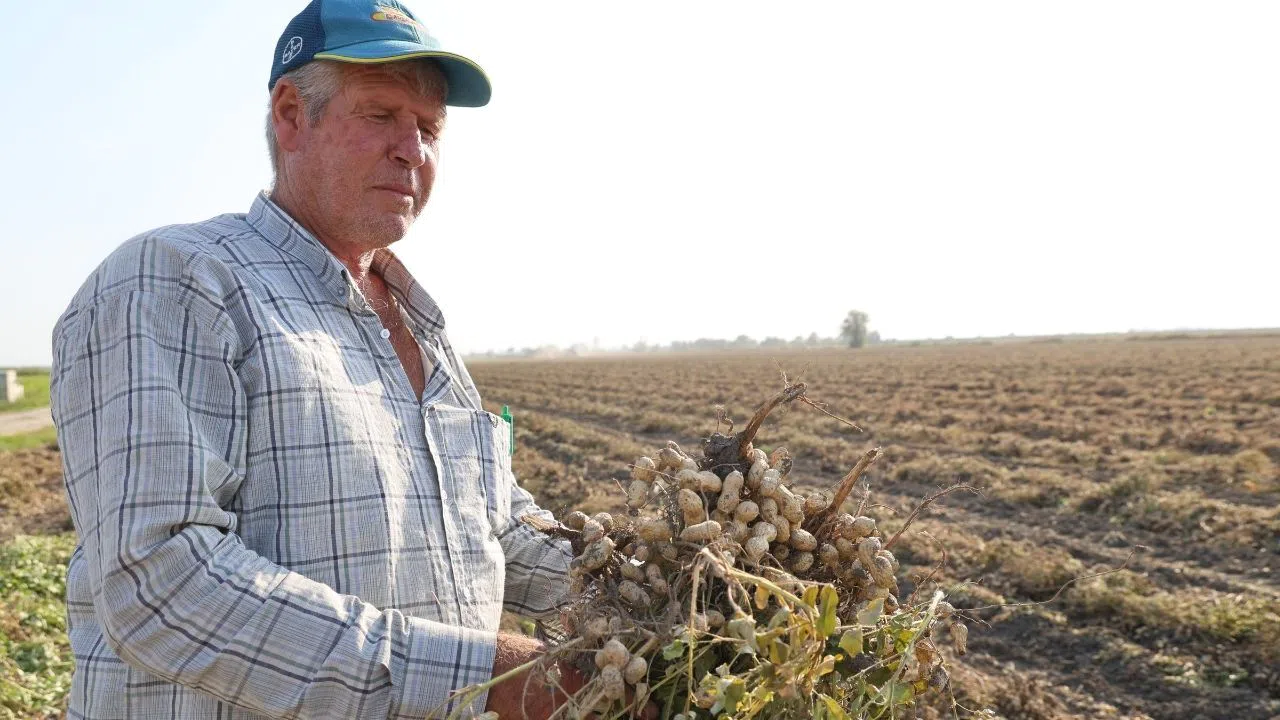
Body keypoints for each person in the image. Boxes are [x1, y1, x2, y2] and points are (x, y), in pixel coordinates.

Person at [50, 1, 581, 717]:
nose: (413, 150)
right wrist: (495, 676)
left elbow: (493, 528)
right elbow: (162, 584)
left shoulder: (422, 323)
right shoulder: (178, 279)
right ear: (292, 114)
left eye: (428, 128)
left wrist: (672, 577)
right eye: (380, 114)